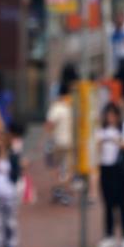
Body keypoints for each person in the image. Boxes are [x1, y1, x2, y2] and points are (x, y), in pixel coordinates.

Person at [96, 103, 124, 247]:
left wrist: (117, 140)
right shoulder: (100, 130)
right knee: (108, 204)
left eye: (113, 115)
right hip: (105, 169)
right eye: (108, 115)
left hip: (121, 171)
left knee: (122, 204)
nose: (110, 118)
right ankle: (109, 236)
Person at [44, 64, 77, 205]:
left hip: (58, 141)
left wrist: (49, 138)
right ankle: (65, 190)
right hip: (71, 141)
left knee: (57, 167)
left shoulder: (57, 106)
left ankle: (59, 189)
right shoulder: (73, 105)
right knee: (68, 167)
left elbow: (49, 124)